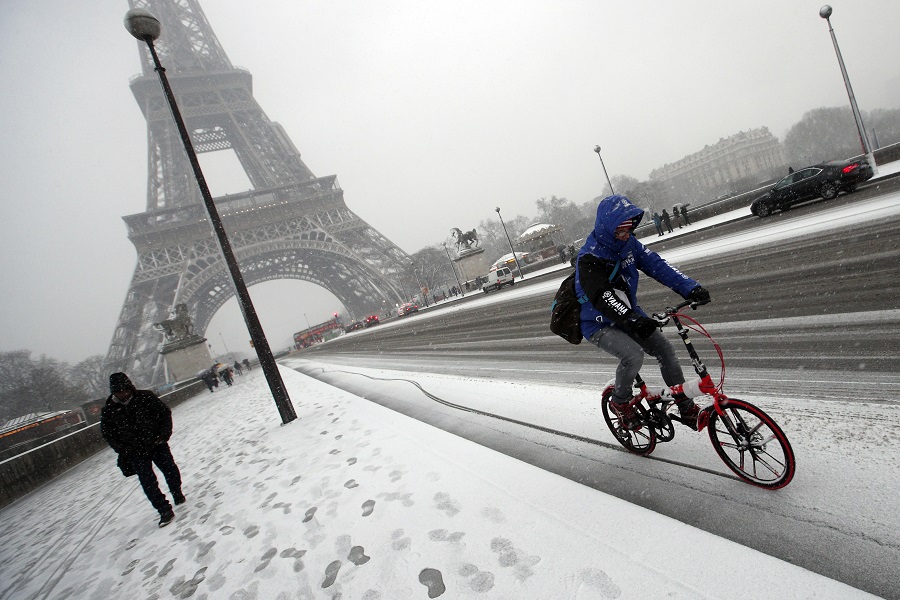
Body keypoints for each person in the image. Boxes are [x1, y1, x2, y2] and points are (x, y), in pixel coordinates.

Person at [574, 195, 713, 430]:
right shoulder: (590, 257)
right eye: (620, 230)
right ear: (608, 228)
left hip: (629, 314)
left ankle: (686, 407)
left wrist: (691, 287)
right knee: (633, 355)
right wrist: (633, 319)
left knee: (665, 350)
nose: (626, 235)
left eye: (629, 229)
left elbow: (657, 265)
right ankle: (620, 402)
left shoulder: (629, 245)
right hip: (597, 322)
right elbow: (602, 296)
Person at [100, 373, 184, 527]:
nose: (123, 394)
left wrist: (164, 434)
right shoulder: (108, 410)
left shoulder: (146, 397)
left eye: (125, 390)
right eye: (119, 392)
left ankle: (176, 491)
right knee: (148, 482)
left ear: (130, 387)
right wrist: (123, 449)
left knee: (170, 469)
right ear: (113, 392)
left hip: (156, 443)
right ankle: (164, 510)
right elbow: (108, 434)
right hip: (134, 451)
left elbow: (164, 413)